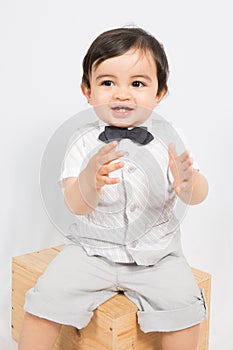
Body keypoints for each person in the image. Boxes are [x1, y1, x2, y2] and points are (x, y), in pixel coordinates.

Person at [18, 27, 209, 350]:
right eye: (107, 83)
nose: (122, 94)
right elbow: (75, 205)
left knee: (185, 311)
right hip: (91, 253)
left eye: (137, 84)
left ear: (159, 93)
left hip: (158, 256)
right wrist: (88, 181)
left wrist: (187, 184)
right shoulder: (80, 141)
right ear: (87, 90)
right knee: (43, 302)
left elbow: (199, 194)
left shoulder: (169, 137)